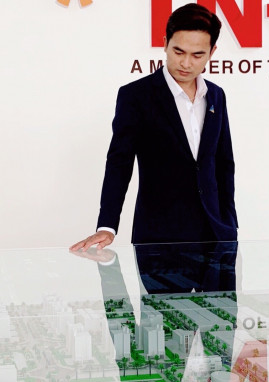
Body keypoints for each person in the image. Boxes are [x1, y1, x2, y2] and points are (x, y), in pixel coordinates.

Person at [71, 3, 237, 251]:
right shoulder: (136, 96)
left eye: (197, 55)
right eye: (178, 51)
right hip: (159, 238)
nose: (186, 63)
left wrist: (230, 225)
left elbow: (224, 164)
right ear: (165, 43)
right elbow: (119, 163)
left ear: (212, 52)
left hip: (216, 235)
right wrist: (107, 226)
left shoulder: (216, 95)